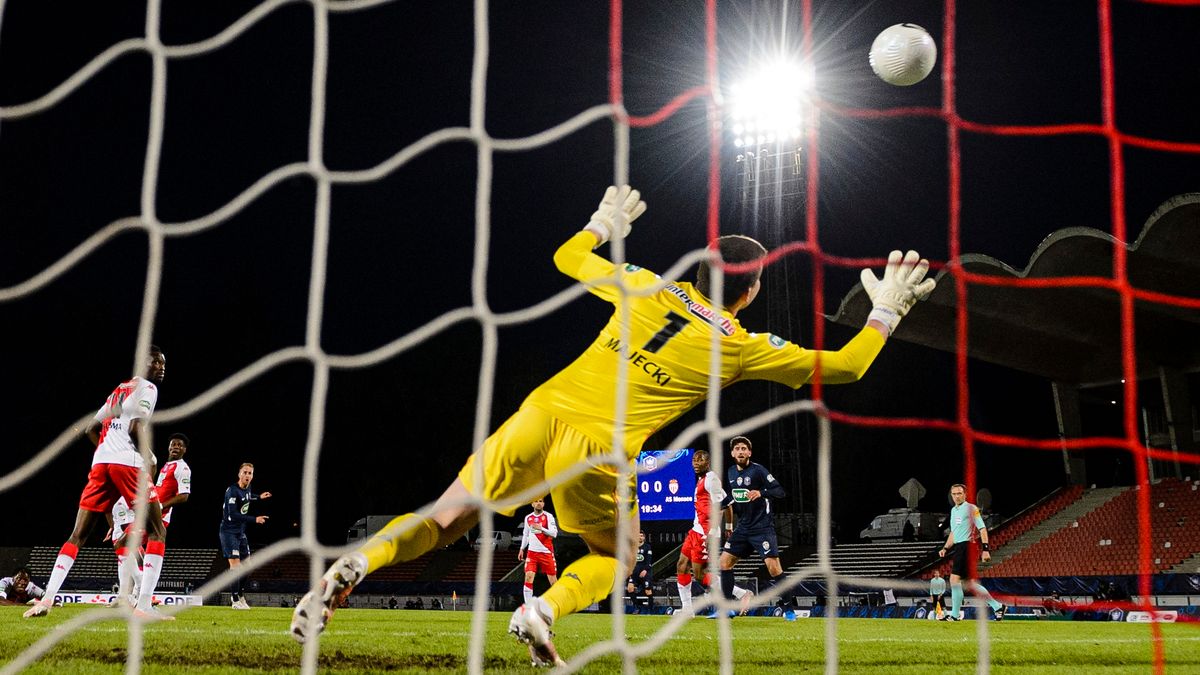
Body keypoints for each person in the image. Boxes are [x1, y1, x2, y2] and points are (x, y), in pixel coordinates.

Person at [290, 185, 935, 666]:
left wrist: (601, 225)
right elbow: (848, 368)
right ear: (750, 292)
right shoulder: (740, 343)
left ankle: (357, 562)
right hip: (600, 447)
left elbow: (566, 258)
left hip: (540, 411)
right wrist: (886, 311)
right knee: (615, 554)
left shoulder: (644, 285)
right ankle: (541, 610)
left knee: (441, 517)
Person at [25, 347, 172, 621]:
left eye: (164, 363)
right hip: (128, 464)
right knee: (157, 531)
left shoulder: (118, 390)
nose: (162, 367)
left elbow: (92, 428)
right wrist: (148, 458)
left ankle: (46, 599)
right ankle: (144, 606)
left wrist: (105, 450)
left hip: (101, 463)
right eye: (157, 362)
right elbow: (136, 427)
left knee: (77, 535)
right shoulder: (148, 388)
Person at [718, 436, 796, 620]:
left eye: (744, 448)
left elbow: (780, 491)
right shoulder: (730, 472)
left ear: (749, 452)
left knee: (774, 568)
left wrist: (761, 492)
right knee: (724, 563)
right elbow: (733, 496)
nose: (741, 451)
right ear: (732, 453)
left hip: (762, 527)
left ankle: (789, 609)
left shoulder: (758, 470)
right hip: (743, 527)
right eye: (737, 448)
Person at [675, 448, 752, 616]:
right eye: (694, 460)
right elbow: (726, 500)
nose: (696, 462)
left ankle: (741, 594)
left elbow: (725, 506)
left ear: (707, 462)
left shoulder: (711, 480)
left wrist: (725, 528)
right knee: (681, 565)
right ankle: (687, 610)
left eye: (700, 460)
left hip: (706, 532)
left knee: (700, 575)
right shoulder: (703, 480)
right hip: (696, 530)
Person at [937, 483, 1006, 621]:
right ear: (951, 495)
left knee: (954, 579)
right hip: (959, 547)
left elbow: (982, 528)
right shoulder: (953, 511)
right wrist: (945, 548)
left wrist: (986, 549)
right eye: (954, 494)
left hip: (967, 546)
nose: (957, 496)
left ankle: (955, 615)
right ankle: (998, 606)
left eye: (959, 493)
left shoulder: (971, 508)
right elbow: (954, 533)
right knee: (970, 584)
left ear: (965, 494)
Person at [220, 462, 271, 609]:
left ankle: (241, 594)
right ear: (239, 474)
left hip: (240, 532)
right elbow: (233, 514)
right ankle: (234, 599)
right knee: (235, 565)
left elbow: (248, 497)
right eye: (245, 472)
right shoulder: (232, 491)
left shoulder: (248, 488)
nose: (247, 475)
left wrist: (259, 497)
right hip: (228, 531)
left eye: (250, 473)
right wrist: (255, 519)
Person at [517, 498, 559, 605]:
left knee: (553, 581)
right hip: (532, 552)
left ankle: (558, 604)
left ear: (544, 504)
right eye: (536, 501)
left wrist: (542, 529)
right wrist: (522, 548)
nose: (538, 503)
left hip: (546, 552)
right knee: (529, 576)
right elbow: (526, 534)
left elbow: (554, 534)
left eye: (540, 501)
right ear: (532, 504)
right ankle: (528, 606)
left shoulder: (548, 516)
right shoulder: (528, 518)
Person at [625, 531, 654, 614]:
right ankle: (636, 607)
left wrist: (645, 570)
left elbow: (649, 561)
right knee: (630, 588)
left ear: (644, 538)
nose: (640, 537)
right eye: (638, 536)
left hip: (644, 572)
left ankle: (650, 610)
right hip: (634, 573)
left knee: (648, 591)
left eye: (641, 536)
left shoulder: (647, 547)